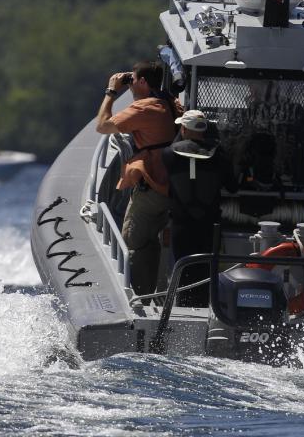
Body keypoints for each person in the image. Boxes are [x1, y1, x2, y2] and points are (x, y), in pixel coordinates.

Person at [96, 61, 183, 295]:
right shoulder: (168, 101)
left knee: (134, 240)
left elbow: (103, 126)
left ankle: (138, 297)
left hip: (153, 187)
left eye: (132, 79)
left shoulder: (145, 109)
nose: (130, 83)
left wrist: (111, 92)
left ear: (143, 82)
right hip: (171, 183)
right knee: (150, 239)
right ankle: (150, 289)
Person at [161, 110, 238, 306]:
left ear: (184, 129)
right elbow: (232, 186)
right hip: (209, 224)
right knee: (207, 268)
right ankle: (205, 309)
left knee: (182, 268)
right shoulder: (219, 154)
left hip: (181, 223)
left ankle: (182, 308)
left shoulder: (169, 154)